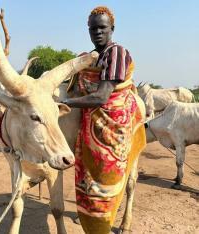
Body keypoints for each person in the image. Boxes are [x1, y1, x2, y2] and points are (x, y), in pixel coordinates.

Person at [62, 6, 146, 234]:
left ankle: (102, 226)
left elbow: (101, 96)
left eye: (102, 27)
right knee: (90, 182)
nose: (97, 32)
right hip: (90, 126)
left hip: (111, 126)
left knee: (106, 181)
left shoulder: (117, 53)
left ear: (112, 29)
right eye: (93, 28)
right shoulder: (90, 57)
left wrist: (64, 105)